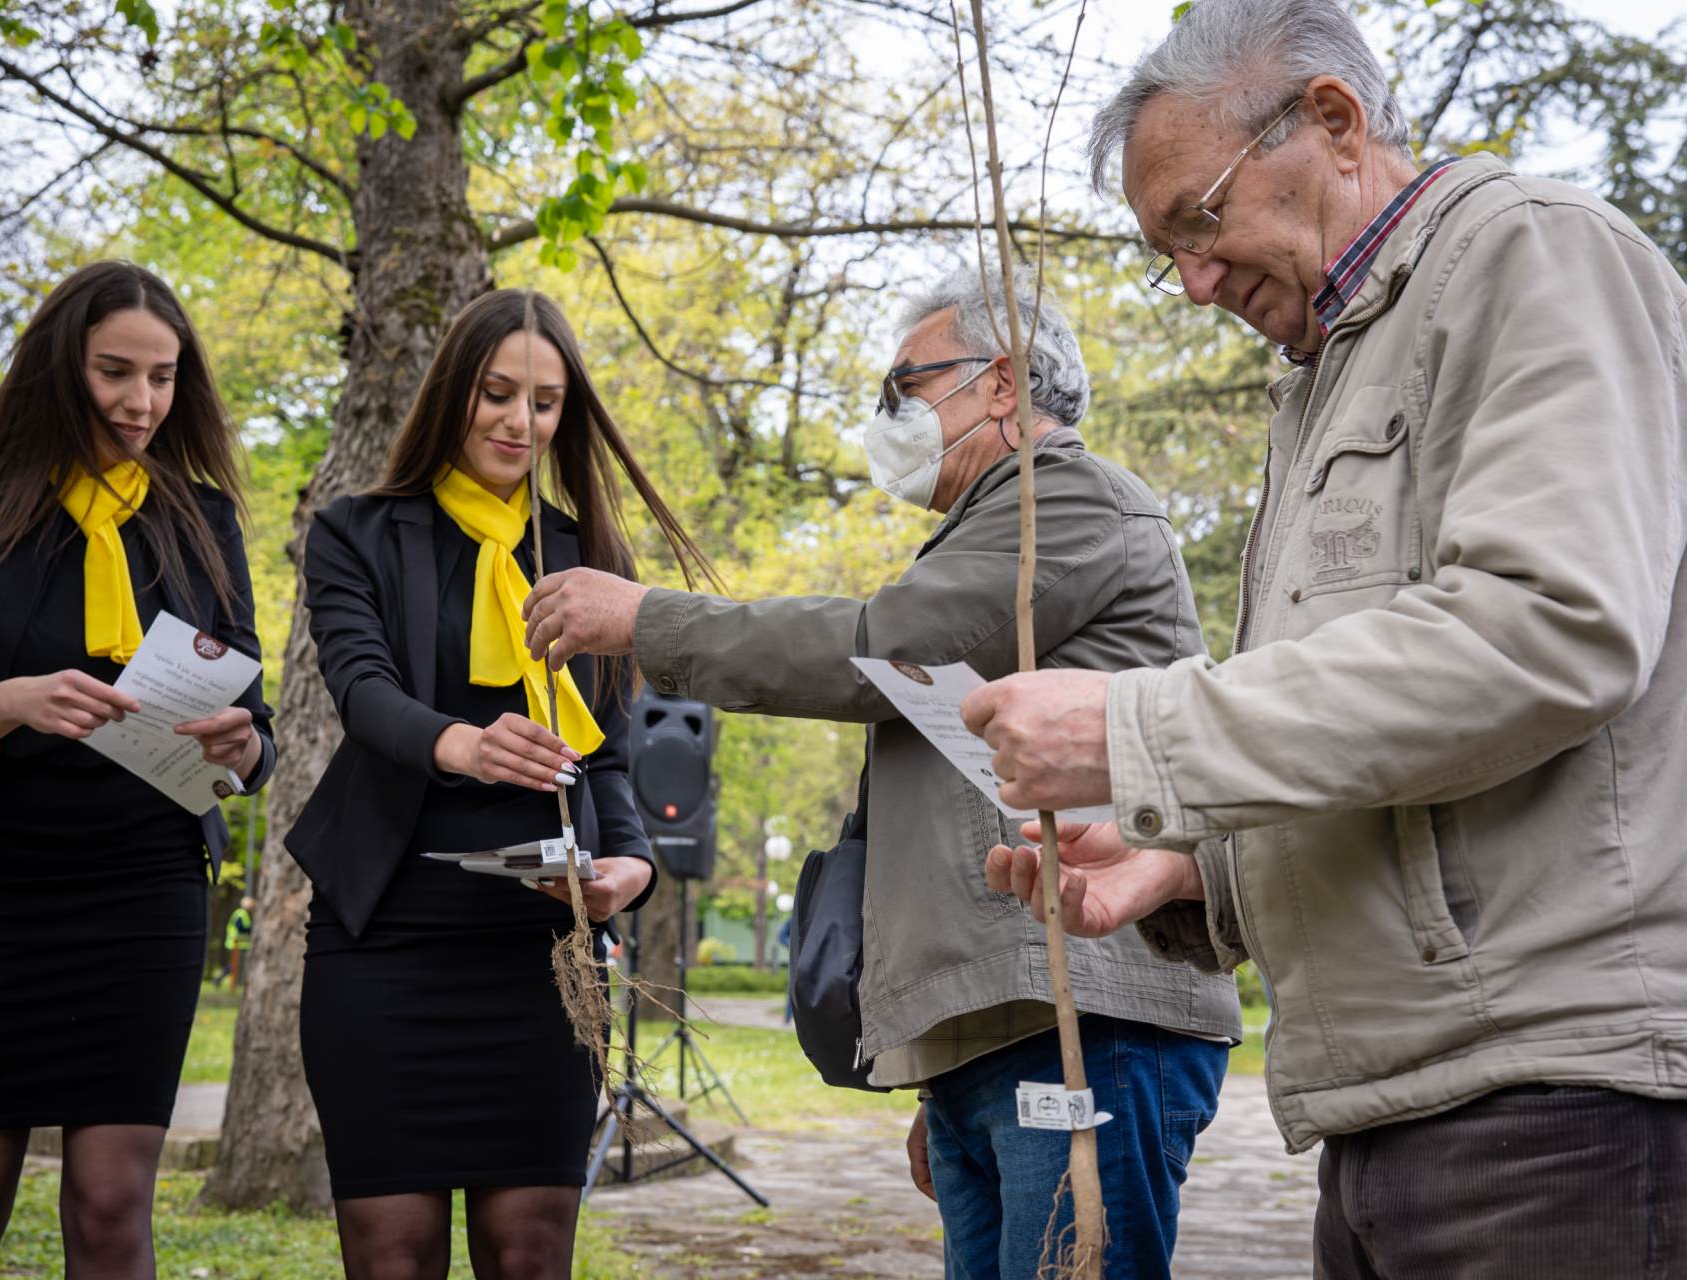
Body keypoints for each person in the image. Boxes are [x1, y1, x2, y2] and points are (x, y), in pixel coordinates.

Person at [967, 1, 1687, 1274]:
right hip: (1403, 1108)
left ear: (1334, 121)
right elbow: (1386, 735)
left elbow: (1547, 633)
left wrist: (1136, 727)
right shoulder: (1329, 377)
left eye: (1201, 220)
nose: (1197, 281)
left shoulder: (1535, 261)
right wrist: (1189, 866)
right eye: (1168, 253)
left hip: (1568, 1102)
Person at [522, 265, 1241, 1279]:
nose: (888, 413)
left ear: (1001, 381)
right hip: (999, 1029)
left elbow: (886, 644)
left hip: (1090, 1017)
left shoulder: (1070, 500)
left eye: (906, 383)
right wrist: (936, 1065)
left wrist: (649, 619)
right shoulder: (984, 532)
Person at [285, 289, 713, 1280]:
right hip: (382, 941)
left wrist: (628, 872)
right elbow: (362, 691)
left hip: (541, 960)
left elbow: (605, 754)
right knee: (393, 1256)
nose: (522, 422)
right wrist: (468, 745)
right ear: (455, 392)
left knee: (530, 1255)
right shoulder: (356, 531)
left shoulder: (584, 555)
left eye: (548, 402)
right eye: (499, 392)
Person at [0, 261, 276, 1280]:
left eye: (163, 376)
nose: (142, 402)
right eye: (115, 372)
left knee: (108, 1211)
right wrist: (10, 701)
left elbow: (254, 729)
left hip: (143, 889)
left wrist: (245, 743)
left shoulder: (205, 519)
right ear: (62, 368)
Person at [223, 895, 253, 990]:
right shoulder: (241, 914)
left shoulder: (244, 914)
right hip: (235, 943)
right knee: (234, 965)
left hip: (240, 944)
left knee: (235, 965)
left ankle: (220, 979)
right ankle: (219, 979)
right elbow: (239, 929)